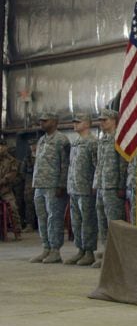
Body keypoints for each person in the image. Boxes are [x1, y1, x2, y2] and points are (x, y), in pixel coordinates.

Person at [29, 113, 70, 264]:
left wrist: (62, 184)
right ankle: (46, 247)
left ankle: (55, 250)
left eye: (45, 121)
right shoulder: (41, 140)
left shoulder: (62, 140)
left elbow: (65, 164)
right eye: (41, 121)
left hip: (54, 185)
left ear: (55, 122)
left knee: (54, 218)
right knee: (42, 217)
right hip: (39, 184)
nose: (42, 123)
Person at [93, 109, 128, 268]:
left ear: (114, 120)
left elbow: (122, 164)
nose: (101, 123)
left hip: (113, 187)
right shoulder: (103, 139)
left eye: (105, 120)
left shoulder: (119, 139)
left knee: (113, 222)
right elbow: (98, 163)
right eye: (100, 120)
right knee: (101, 221)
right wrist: (96, 183)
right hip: (102, 185)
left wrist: (121, 185)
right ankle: (106, 251)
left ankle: (116, 255)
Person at [64, 114, 98, 266]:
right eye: (74, 122)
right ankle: (80, 250)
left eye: (78, 122)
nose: (75, 124)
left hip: (86, 188)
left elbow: (97, 166)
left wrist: (94, 185)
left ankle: (89, 252)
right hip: (74, 187)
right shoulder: (76, 142)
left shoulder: (92, 143)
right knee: (76, 221)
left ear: (87, 124)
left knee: (87, 221)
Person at [0, 138, 22, 236]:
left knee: (13, 207)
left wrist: (3, 181)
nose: (0, 148)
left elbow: (12, 174)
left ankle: (17, 231)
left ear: (6, 147)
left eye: (2, 146)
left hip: (5, 190)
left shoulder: (12, 160)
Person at [21, 142, 37, 232]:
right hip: (29, 183)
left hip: (40, 182)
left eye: (34, 145)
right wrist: (28, 181)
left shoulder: (41, 156)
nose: (33, 147)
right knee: (29, 204)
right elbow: (22, 172)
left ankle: (41, 224)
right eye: (31, 145)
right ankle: (29, 224)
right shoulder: (27, 158)